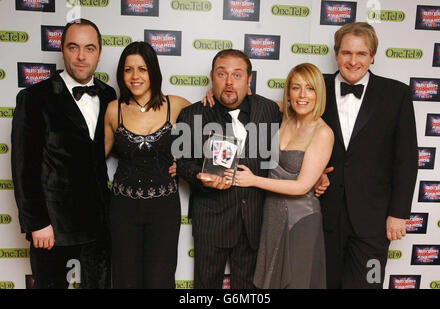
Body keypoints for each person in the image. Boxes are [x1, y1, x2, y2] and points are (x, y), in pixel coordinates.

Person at [11, 19, 116, 289]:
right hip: (53, 227)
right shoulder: (34, 98)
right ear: (62, 49)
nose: (81, 56)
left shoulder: (108, 95)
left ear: (99, 53)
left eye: (89, 48)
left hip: (98, 225)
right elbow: (24, 167)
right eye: (74, 47)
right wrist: (37, 223)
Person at [317, 22, 418, 289]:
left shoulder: (396, 94)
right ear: (336, 54)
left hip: (373, 221)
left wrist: (399, 213)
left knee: (369, 285)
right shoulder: (315, 88)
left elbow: (406, 159)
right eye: (346, 53)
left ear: (372, 56)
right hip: (323, 215)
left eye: (361, 54)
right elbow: (291, 132)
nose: (353, 61)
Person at [175, 49, 282, 288]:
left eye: (237, 75)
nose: (229, 82)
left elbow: (297, 136)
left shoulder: (269, 110)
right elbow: (181, 163)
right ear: (212, 77)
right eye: (222, 74)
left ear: (249, 79)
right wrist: (200, 177)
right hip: (212, 219)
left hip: (254, 220)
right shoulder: (192, 114)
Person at [231, 63, 333, 288]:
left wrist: (253, 180)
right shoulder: (284, 117)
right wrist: (214, 92)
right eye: (296, 88)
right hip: (272, 216)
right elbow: (242, 96)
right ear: (288, 92)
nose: (302, 95)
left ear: (319, 93)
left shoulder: (323, 132)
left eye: (310, 88)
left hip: (301, 219)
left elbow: (301, 186)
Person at [104, 41, 190, 288]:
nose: (135, 76)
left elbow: (211, 123)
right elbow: (94, 159)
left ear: (154, 70)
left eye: (142, 69)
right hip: (122, 210)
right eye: (128, 69)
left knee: (160, 281)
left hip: (164, 210)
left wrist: (185, 165)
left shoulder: (176, 105)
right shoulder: (113, 110)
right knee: (125, 280)